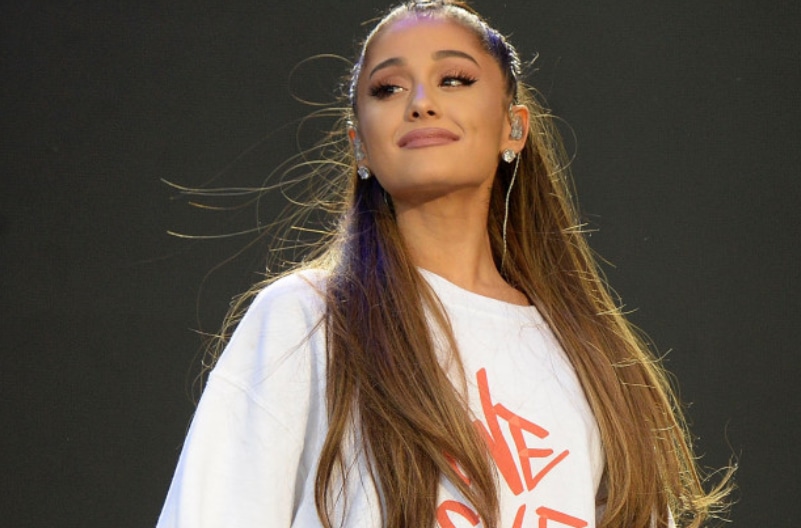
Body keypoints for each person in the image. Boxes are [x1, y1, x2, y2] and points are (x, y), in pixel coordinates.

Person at [157, 1, 731, 527]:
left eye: (454, 79)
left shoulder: (587, 354)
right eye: (387, 88)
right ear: (359, 145)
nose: (420, 102)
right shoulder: (307, 319)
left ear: (514, 127)